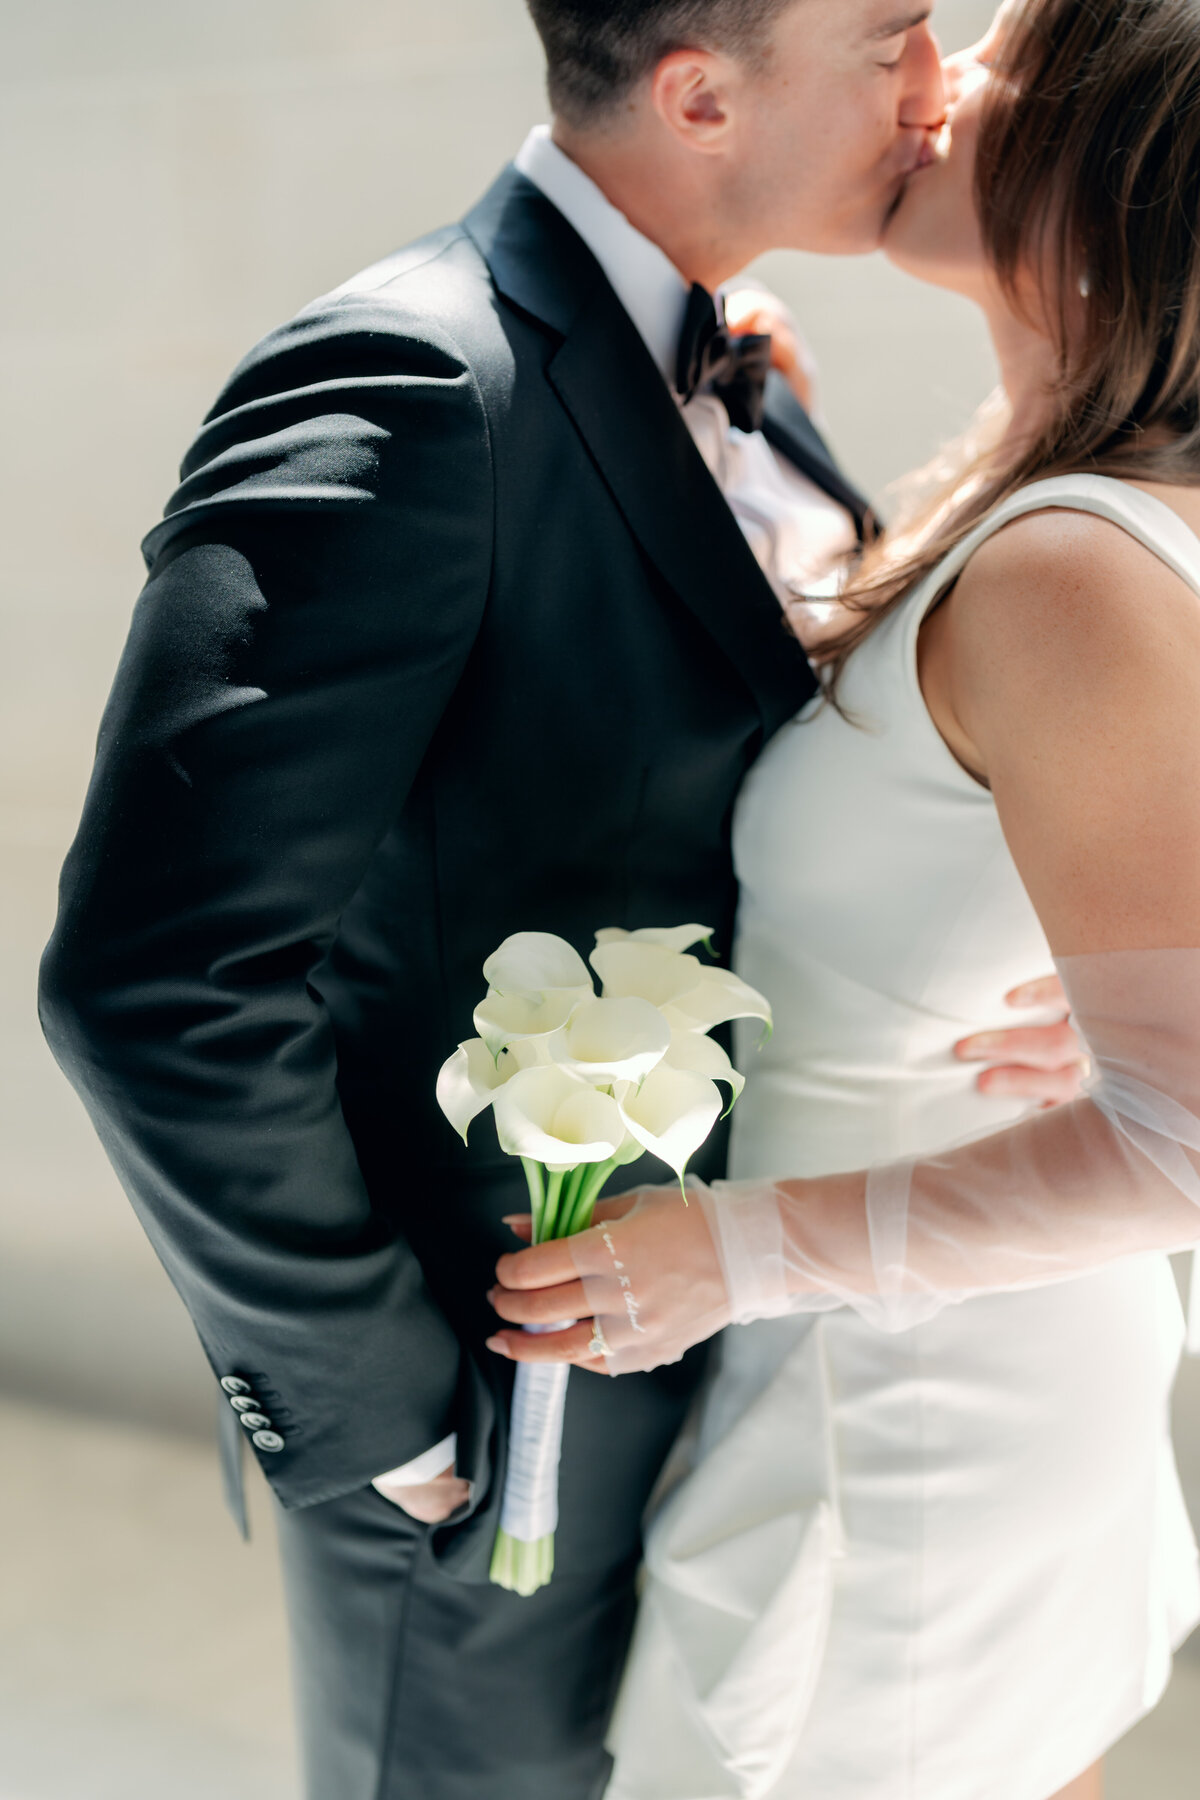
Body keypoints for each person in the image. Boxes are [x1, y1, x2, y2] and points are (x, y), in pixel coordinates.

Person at [37, 2, 1083, 1797]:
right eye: (897, 34)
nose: (940, 83)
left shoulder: (729, 371)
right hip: (495, 1401)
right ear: (699, 94)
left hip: (728, 1336)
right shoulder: (411, 376)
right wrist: (386, 1416)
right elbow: (156, 976)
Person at [490, 2, 1200, 1796]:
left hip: (914, 1395)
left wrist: (724, 1260)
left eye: (1006, 70)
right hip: (918, 1339)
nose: (941, 79)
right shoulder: (1041, 492)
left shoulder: (1070, 571)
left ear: (1114, 188)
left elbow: (1191, 1143)